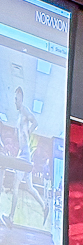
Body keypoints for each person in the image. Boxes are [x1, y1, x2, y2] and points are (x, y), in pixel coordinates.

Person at [3, 87, 47, 227]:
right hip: (22, 153)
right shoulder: (18, 116)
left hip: (25, 154)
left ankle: (10, 218)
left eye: (16, 99)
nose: (15, 101)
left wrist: (28, 131)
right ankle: (44, 206)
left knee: (16, 185)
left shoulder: (25, 110)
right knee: (29, 187)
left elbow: (35, 122)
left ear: (21, 98)